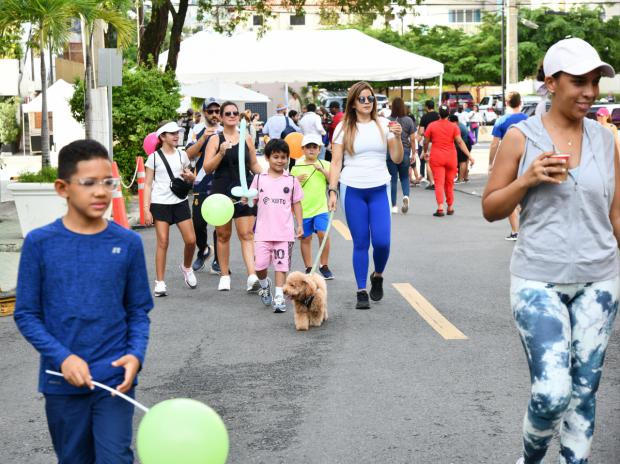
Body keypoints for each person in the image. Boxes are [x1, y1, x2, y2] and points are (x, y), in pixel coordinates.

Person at [481, 38, 619, 464]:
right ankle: (532, 458)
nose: (590, 92)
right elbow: (490, 207)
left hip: (600, 280)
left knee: (584, 392)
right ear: (551, 83)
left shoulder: (606, 138)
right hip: (538, 279)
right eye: (579, 81)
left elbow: (616, 214)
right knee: (552, 392)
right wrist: (527, 180)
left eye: (595, 81)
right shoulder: (523, 138)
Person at [14, 139, 153, 463]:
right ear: (63, 188)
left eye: (108, 182)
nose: (101, 191)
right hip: (61, 383)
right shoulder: (40, 243)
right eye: (88, 183)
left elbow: (138, 311)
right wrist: (62, 357)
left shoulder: (128, 243)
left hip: (115, 378)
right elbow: (27, 314)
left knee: (115, 458)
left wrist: (135, 355)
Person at [328, 81, 403, 310]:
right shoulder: (343, 128)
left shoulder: (384, 125)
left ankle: (377, 275)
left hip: (379, 187)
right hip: (352, 188)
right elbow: (336, 161)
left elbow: (397, 159)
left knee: (382, 242)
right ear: (353, 102)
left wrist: (398, 137)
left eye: (371, 98)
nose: (367, 102)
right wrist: (332, 190)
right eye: (362, 99)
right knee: (361, 242)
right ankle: (361, 290)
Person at [203, 101, 263, 291]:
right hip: (222, 190)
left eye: (235, 112)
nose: (231, 115)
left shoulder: (246, 137)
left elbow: (253, 164)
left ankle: (252, 276)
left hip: (244, 188)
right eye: (227, 113)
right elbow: (207, 168)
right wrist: (221, 152)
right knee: (223, 235)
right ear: (221, 117)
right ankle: (224, 275)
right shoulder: (215, 139)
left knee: (247, 234)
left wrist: (269, 178)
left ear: (239, 116)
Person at [247, 139, 303, 313]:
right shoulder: (258, 179)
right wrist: (246, 198)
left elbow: (297, 204)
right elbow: (251, 201)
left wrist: (299, 224)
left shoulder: (292, 181)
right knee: (259, 266)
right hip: (263, 232)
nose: (280, 161)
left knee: (281, 265)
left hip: (284, 233)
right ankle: (265, 285)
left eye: (284, 157)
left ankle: (279, 296)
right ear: (267, 158)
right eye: (276, 157)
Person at [144, 121, 198, 296]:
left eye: (177, 132)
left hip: (180, 201)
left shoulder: (182, 155)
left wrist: (191, 176)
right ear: (162, 137)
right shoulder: (153, 158)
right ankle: (160, 282)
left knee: (191, 240)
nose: (176, 135)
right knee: (163, 242)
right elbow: (147, 185)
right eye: (172, 133)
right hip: (160, 203)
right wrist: (146, 209)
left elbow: (191, 177)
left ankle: (187, 267)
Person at [186, 98, 222, 274]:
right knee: (198, 223)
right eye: (211, 111)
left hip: (222, 182)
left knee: (220, 222)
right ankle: (203, 250)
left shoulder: (228, 130)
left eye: (217, 111)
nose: (214, 114)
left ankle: (218, 259)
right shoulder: (196, 130)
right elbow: (188, 154)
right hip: (201, 182)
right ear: (204, 112)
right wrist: (203, 139)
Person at [291, 134, 333, 279]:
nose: (311, 150)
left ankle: (324, 265)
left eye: (314, 147)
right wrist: (295, 180)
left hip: (321, 208)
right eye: (308, 147)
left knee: (323, 234)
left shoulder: (325, 164)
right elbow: (290, 188)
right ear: (302, 149)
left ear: (319, 149)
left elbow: (333, 181)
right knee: (305, 238)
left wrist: (322, 170)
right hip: (304, 210)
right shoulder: (296, 167)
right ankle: (309, 267)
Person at [489, 91, 528, 241]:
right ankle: (528, 229)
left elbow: (494, 144)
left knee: (511, 196)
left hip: (509, 163)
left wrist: (491, 163)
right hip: (526, 161)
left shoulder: (502, 121)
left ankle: (515, 231)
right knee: (526, 196)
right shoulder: (529, 119)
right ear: (521, 103)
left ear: (506, 103)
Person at [422, 105, 473, 217]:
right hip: (451, 157)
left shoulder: (432, 126)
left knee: (439, 183)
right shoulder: (454, 127)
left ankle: (440, 207)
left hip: (437, 157)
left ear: (439, 114)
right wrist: (469, 156)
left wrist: (425, 151)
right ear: (449, 114)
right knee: (449, 183)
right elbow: (460, 142)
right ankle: (450, 207)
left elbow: (426, 141)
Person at [387, 97, 417, 214]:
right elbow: (413, 139)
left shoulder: (388, 121)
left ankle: (394, 206)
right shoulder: (409, 120)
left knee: (393, 179)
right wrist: (413, 153)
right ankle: (406, 196)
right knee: (404, 177)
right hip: (404, 152)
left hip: (391, 152)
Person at [417, 100, 439, 190]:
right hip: (439, 141)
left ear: (426, 107)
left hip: (429, 142)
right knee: (438, 162)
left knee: (428, 162)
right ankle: (439, 181)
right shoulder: (438, 115)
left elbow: (421, 132)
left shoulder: (424, 117)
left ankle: (432, 182)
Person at [449, 114, 472, 184]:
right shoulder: (460, 125)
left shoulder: (458, 127)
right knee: (464, 161)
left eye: (450, 122)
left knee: (462, 162)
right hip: (466, 144)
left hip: (464, 144)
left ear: (455, 121)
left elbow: (458, 140)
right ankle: (464, 177)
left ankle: (460, 179)